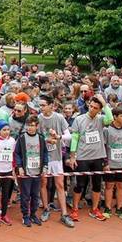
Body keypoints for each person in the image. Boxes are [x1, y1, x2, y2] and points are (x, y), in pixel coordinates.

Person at [68, 95, 113, 222]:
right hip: (83, 157)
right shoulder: (79, 119)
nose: (92, 109)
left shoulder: (101, 119)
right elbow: (75, 138)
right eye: (91, 106)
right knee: (80, 184)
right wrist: (72, 156)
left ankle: (95, 209)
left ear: (99, 109)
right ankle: (75, 209)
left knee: (97, 184)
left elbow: (110, 119)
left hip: (98, 156)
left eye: (95, 108)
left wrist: (104, 104)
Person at [37, 95, 74, 228]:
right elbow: (34, 136)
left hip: (56, 156)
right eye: (39, 105)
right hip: (43, 157)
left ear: (51, 105)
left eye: (43, 105)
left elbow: (69, 136)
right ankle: (46, 208)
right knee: (44, 182)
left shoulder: (59, 117)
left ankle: (64, 214)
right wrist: (46, 140)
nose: (41, 108)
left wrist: (58, 137)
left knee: (60, 184)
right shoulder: (38, 119)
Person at [15, 115, 49, 227]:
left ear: (37, 126)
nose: (30, 128)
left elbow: (44, 153)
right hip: (26, 172)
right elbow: (17, 153)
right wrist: (20, 167)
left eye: (32, 126)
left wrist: (45, 166)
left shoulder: (41, 138)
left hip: (37, 171)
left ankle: (33, 214)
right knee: (25, 195)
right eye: (28, 125)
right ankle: (25, 216)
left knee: (35, 195)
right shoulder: (22, 138)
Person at [102, 106, 122, 220]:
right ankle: (107, 208)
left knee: (121, 186)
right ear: (114, 117)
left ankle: (120, 208)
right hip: (110, 164)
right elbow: (104, 146)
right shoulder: (107, 130)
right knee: (109, 186)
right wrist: (105, 163)